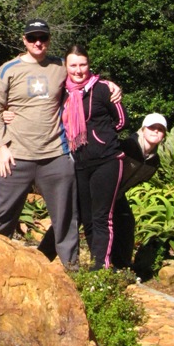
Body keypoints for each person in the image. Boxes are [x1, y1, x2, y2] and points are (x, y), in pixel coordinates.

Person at [0, 19, 80, 267]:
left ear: (49, 39)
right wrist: (2, 148)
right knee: (0, 218)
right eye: (33, 38)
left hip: (55, 155)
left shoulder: (60, 65)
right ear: (24, 40)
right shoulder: (9, 69)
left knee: (66, 219)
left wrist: (110, 85)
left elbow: (83, 78)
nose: (38, 42)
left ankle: (73, 273)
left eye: (43, 38)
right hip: (15, 156)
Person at [63, 45, 128, 270]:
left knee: (102, 217)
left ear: (89, 65)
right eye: (73, 65)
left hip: (106, 160)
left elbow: (121, 121)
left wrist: (101, 136)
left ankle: (102, 267)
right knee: (87, 218)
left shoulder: (102, 89)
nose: (79, 70)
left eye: (83, 64)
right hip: (78, 162)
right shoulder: (63, 92)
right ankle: (95, 263)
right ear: (66, 67)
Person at [110, 112, 168, 270]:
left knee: (126, 222)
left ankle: (121, 267)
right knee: (76, 218)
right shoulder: (126, 146)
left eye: (160, 129)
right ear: (143, 129)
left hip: (118, 195)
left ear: (164, 134)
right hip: (102, 189)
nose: (155, 131)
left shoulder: (153, 162)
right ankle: (44, 255)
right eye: (152, 127)